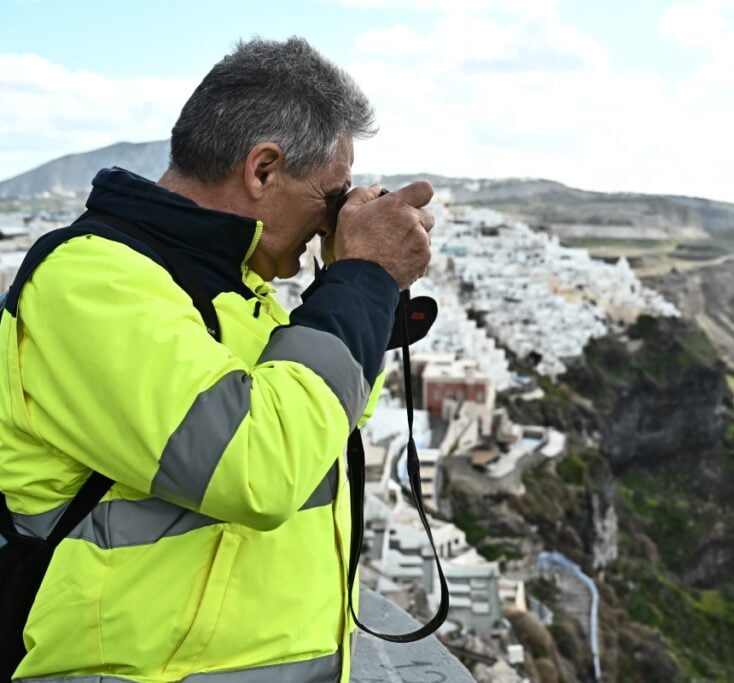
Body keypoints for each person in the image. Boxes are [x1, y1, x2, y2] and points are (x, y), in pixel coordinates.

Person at [0, 37, 432, 681]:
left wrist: (355, 290)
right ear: (262, 170)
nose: (328, 224)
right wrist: (363, 277)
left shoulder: (232, 290)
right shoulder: (91, 282)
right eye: (331, 196)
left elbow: (321, 423)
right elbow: (259, 467)